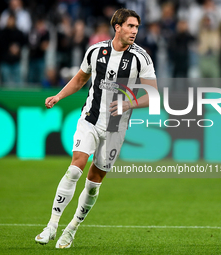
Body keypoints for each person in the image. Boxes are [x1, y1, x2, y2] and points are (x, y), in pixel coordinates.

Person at [35, 8, 157, 249]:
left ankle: (72, 228)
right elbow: (81, 79)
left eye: (137, 27)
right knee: (75, 168)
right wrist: (58, 96)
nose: (134, 31)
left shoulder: (141, 58)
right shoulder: (95, 51)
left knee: (93, 183)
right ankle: (51, 225)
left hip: (116, 127)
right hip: (90, 118)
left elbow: (153, 95)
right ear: (117, 27)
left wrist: (129, 103)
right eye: (130, 26)